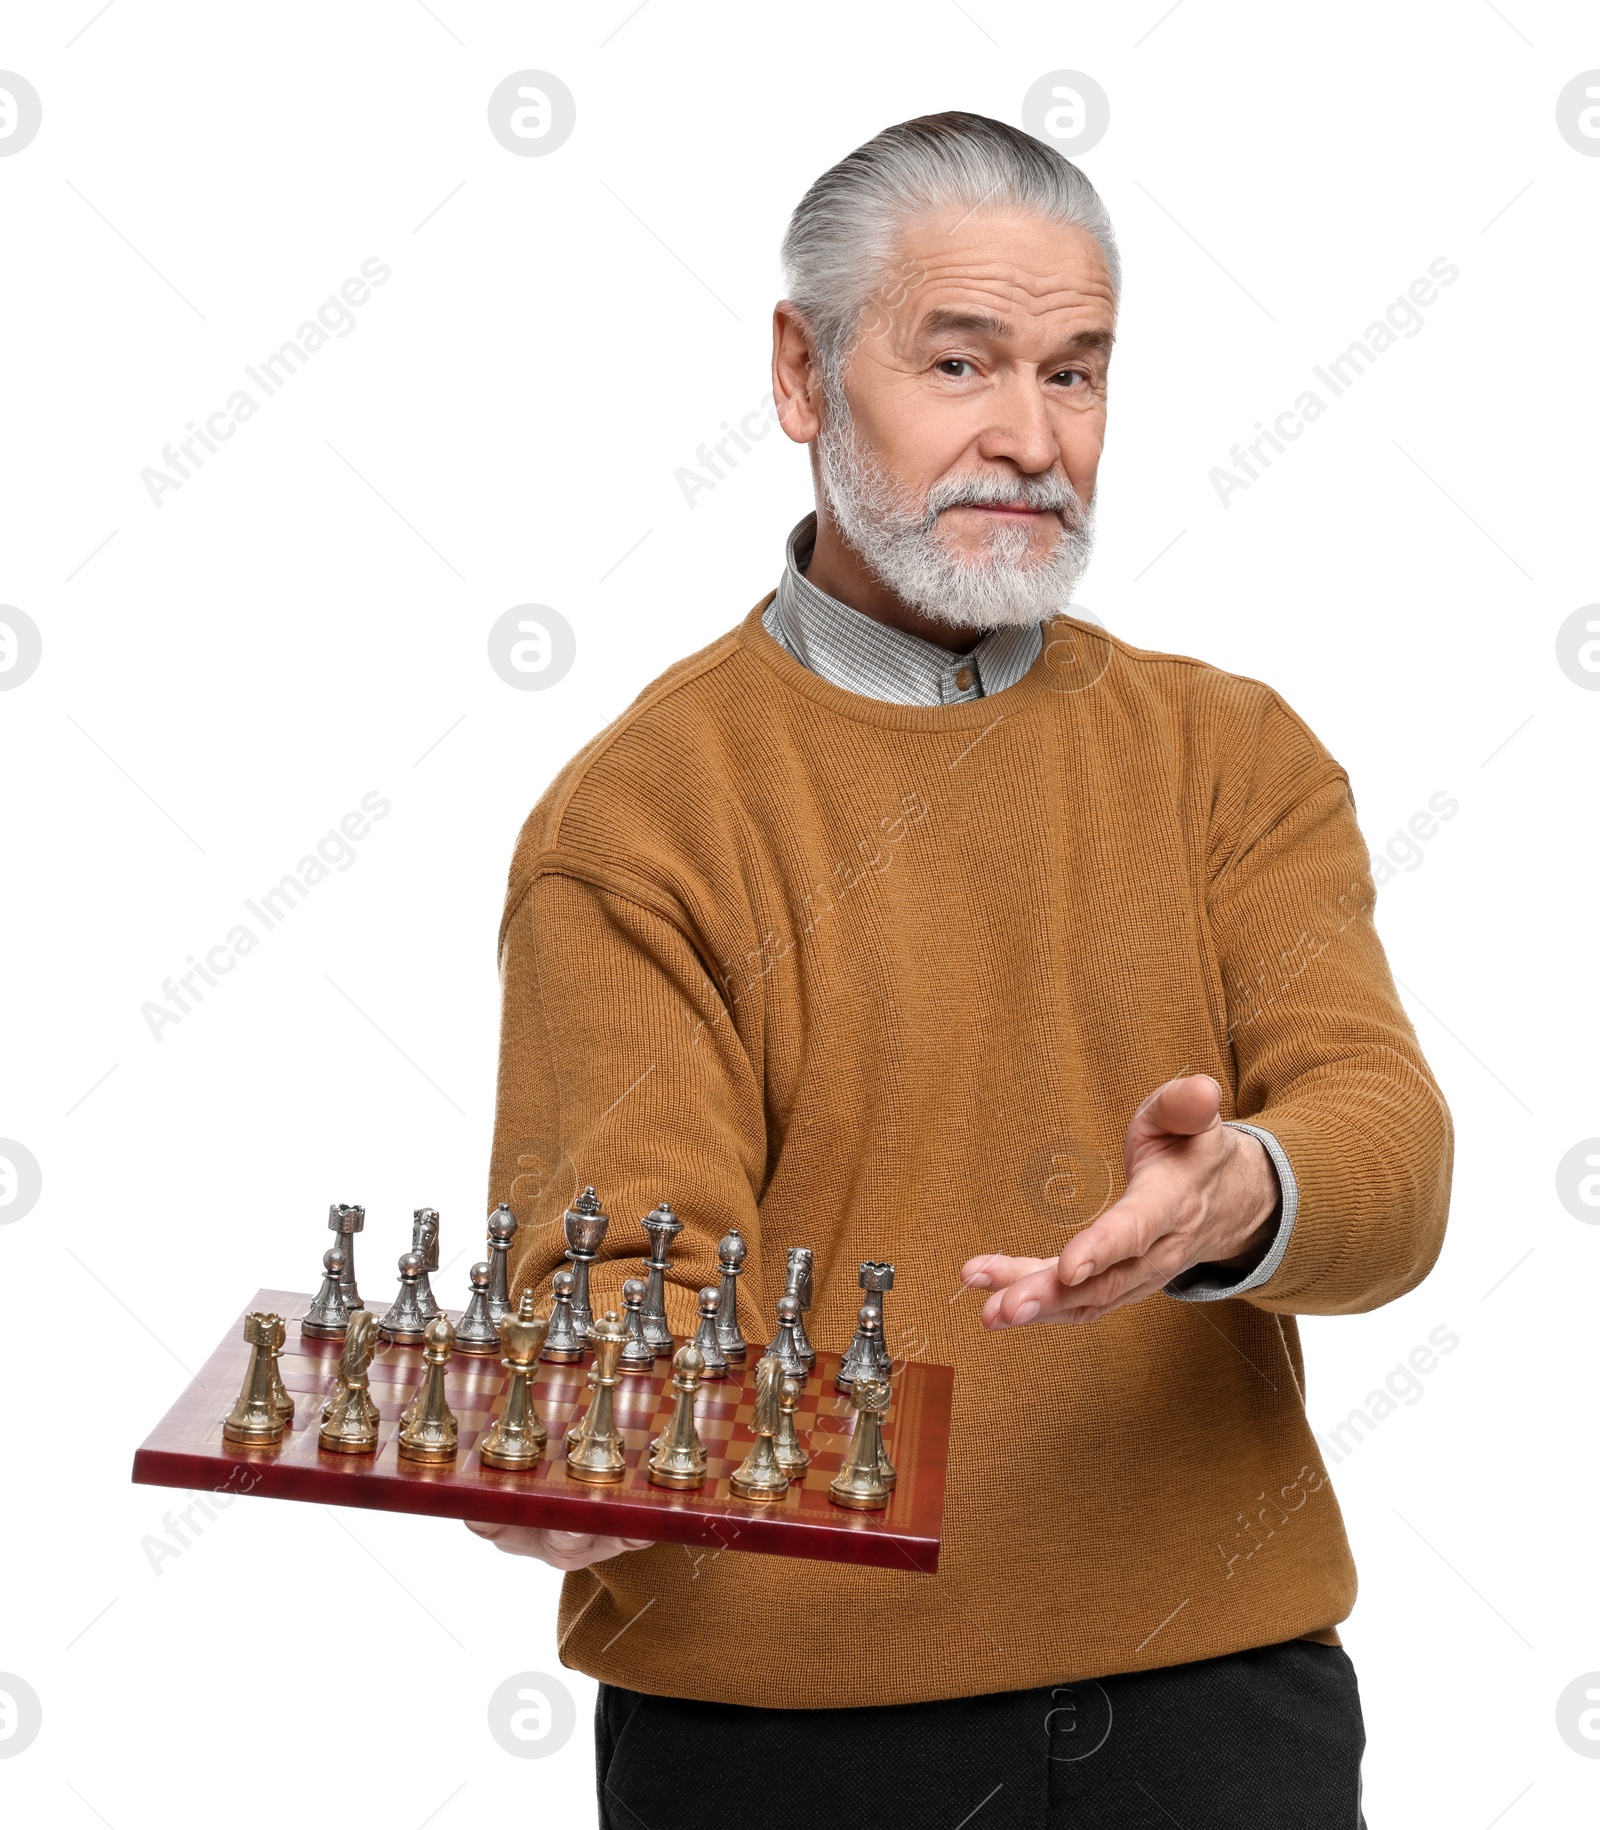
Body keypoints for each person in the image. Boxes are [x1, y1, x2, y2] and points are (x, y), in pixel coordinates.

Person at [466, 112, 1451, 1828]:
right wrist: (592, 1434)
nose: (1030, 436)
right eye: (959, 361)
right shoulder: (643, 817)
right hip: (788, 1744)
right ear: (800, 372)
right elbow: (631, 1266)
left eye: (1077, 373)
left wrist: (1240, 1196)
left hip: (1225, 1713)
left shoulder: (1231, 754)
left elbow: (1391, 1151)